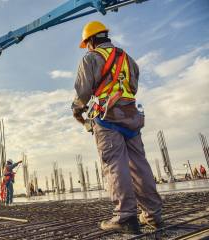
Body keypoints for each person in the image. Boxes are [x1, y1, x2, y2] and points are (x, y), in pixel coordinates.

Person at [72, 21, 162, 233]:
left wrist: (76, 110)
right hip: (131, 116)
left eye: (87, 44)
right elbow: (132, 87)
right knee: (139, 165)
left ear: (91, 40)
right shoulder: (128, 59)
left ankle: (125, 217)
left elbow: (83, 93)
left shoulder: (91, 58)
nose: (87, 47)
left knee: (114, 164)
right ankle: (153, 215)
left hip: (107, 117)